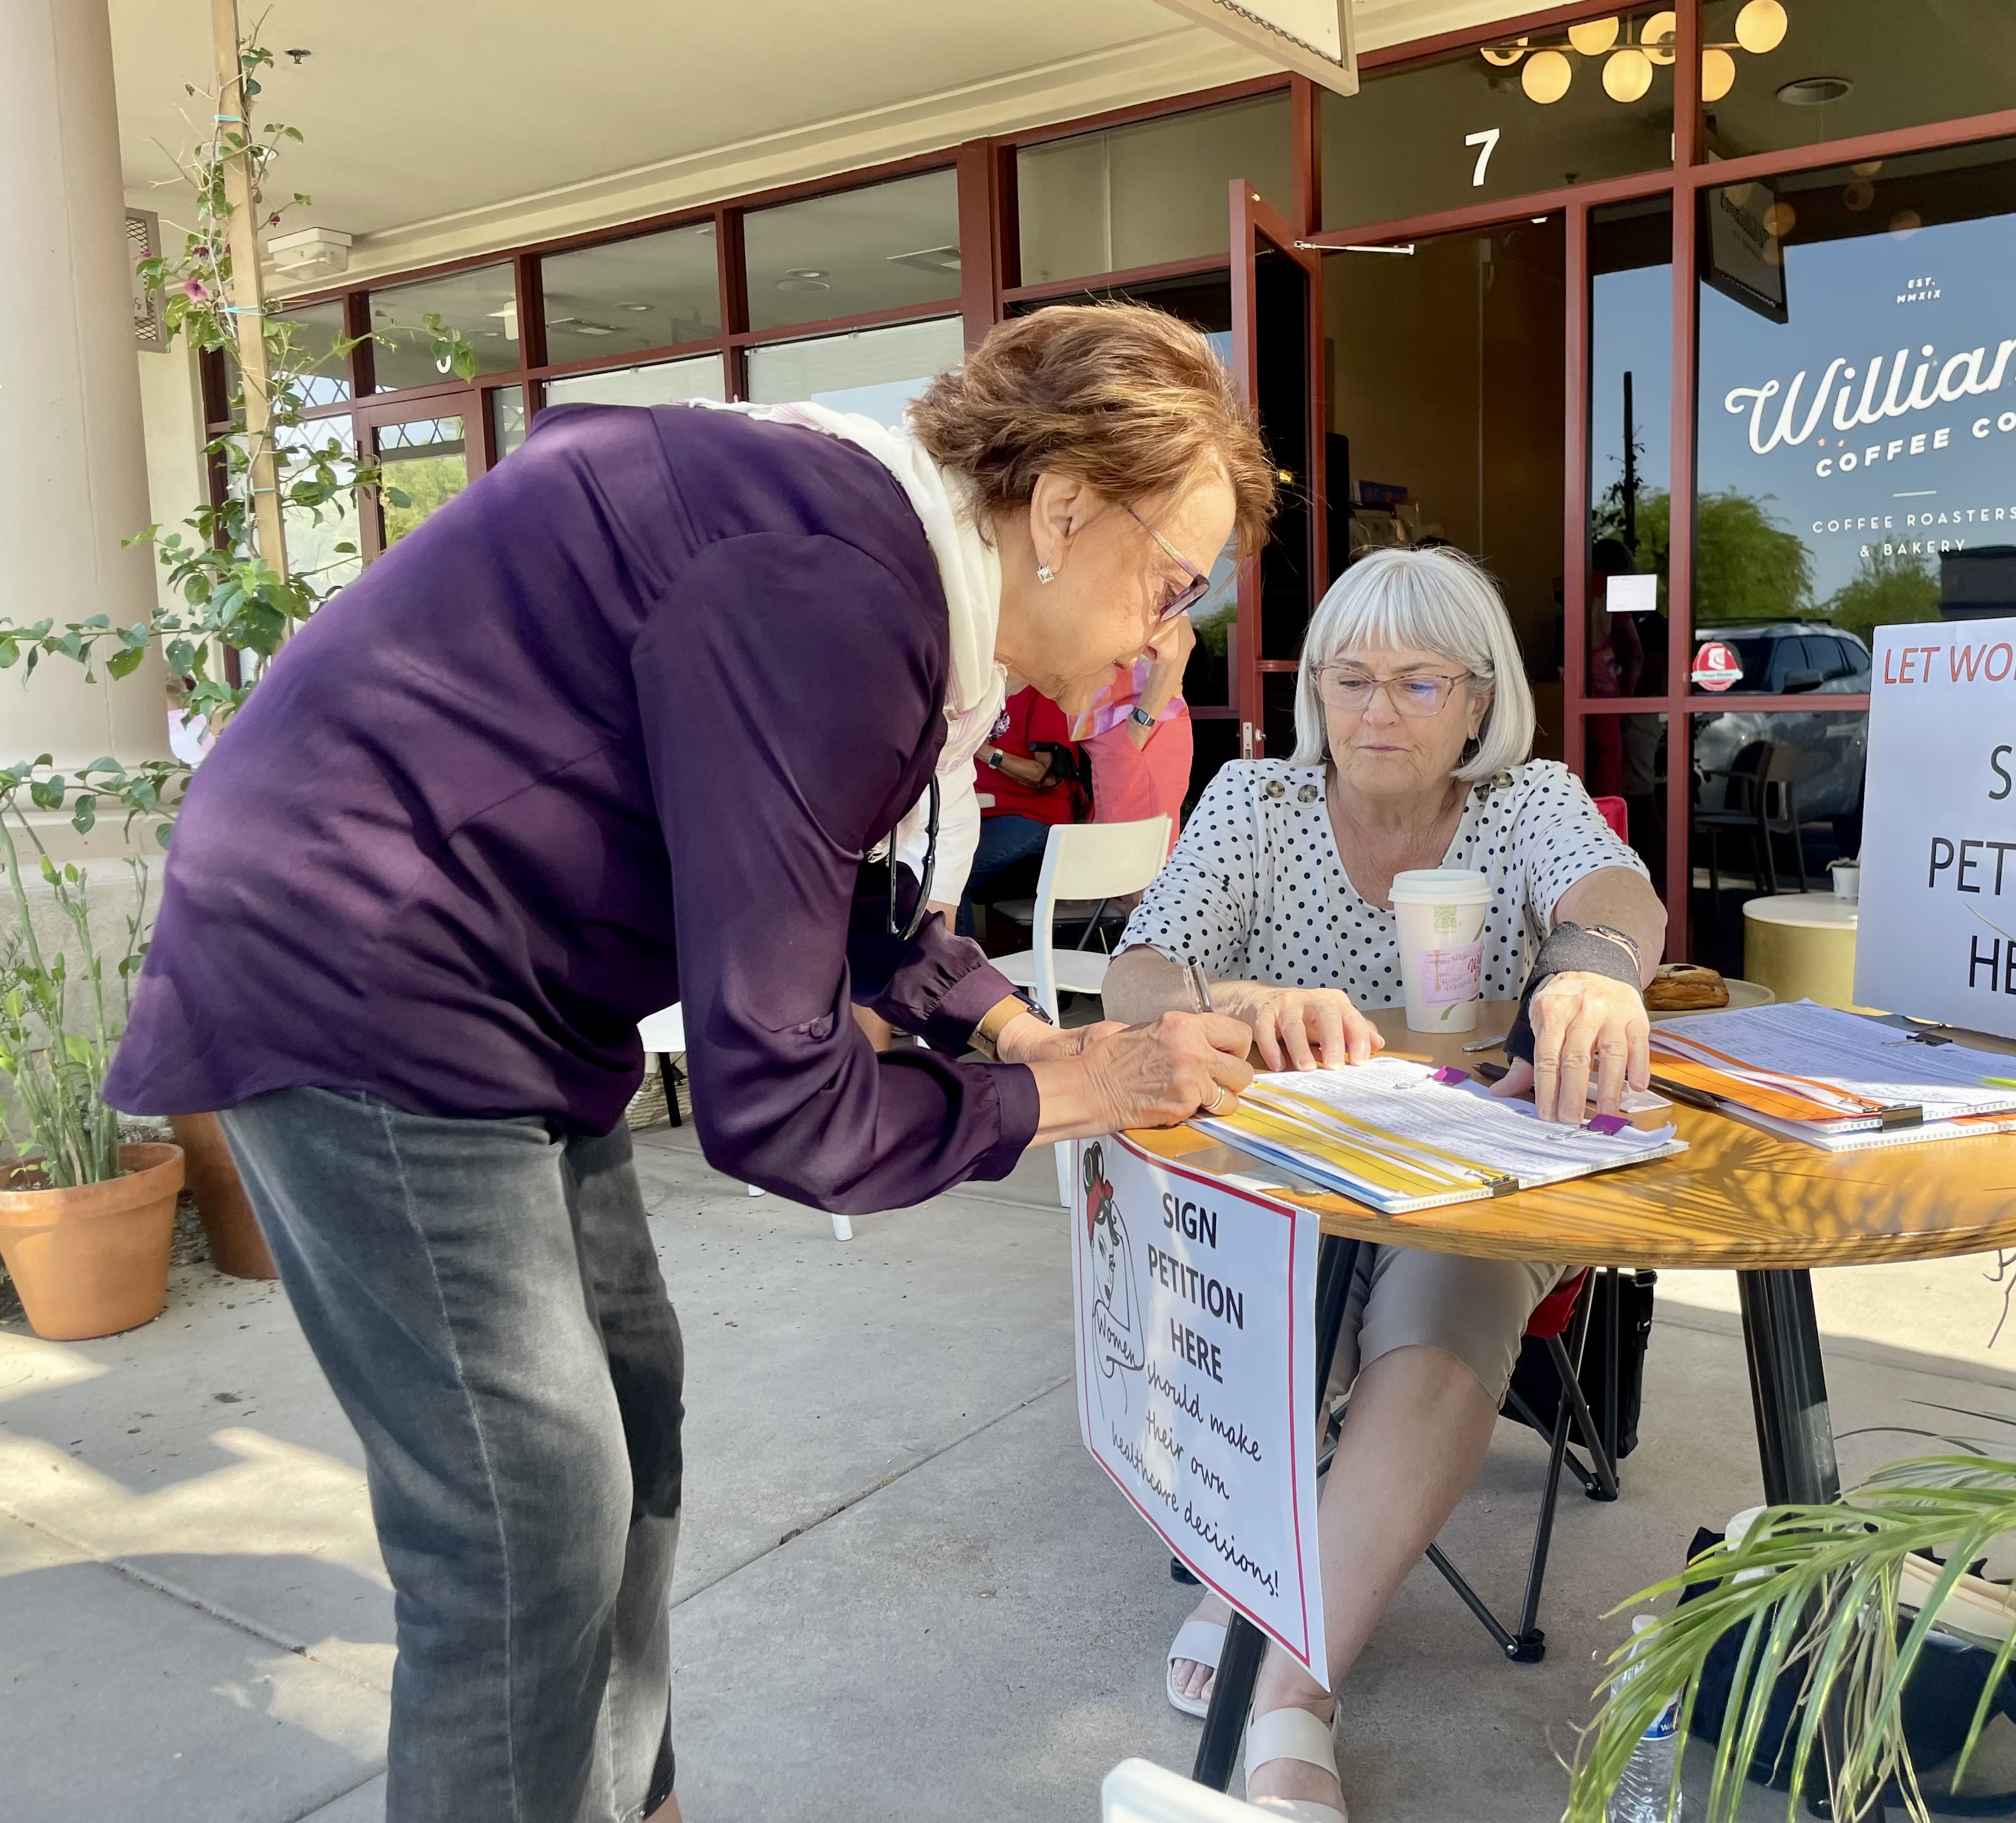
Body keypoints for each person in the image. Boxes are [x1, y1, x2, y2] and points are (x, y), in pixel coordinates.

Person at [102, 304, 1267, 1823]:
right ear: (1059, 511)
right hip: (363, 966)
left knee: (631, 1408)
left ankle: (630, 1798)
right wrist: (1065, 1095)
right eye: (1174, 578)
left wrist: (1028, 1032)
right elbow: (778, 1099)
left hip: (501, 993)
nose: (1168, 630)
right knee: (526, 1518)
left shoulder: (875, 555)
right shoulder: (837, 591)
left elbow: (853, 898)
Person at [1101, 545, 1664, 1823]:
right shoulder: (1259, 802)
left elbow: (1620, 898)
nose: (1375, 711)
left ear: (1479, 698)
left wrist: (1588, 968)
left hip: (1473, 1177)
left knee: (1452, 1292)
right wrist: (1243, 1001)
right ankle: (1287, 1551)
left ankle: (1290, 1682)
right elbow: (1136, 978)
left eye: (1417, 682)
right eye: (1349, 678)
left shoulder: (1524, 802)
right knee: (1287, 1263)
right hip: (1285, 1183)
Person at [961, 684, 1087, 933]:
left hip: (1035, 815)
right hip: (977, 812)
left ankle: (956, 969)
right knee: (923, 860)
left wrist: (980, 749)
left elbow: (1049, 775)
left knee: (952, 871)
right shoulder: (977, 691)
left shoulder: (1042, 694)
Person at [1069, 610, 1196, 852]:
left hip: (1135, 730)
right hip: (1114, 733)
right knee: (1117, 870)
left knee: (1135, 874)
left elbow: (1181, 638)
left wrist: (1140, 724)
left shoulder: (1140, 573)